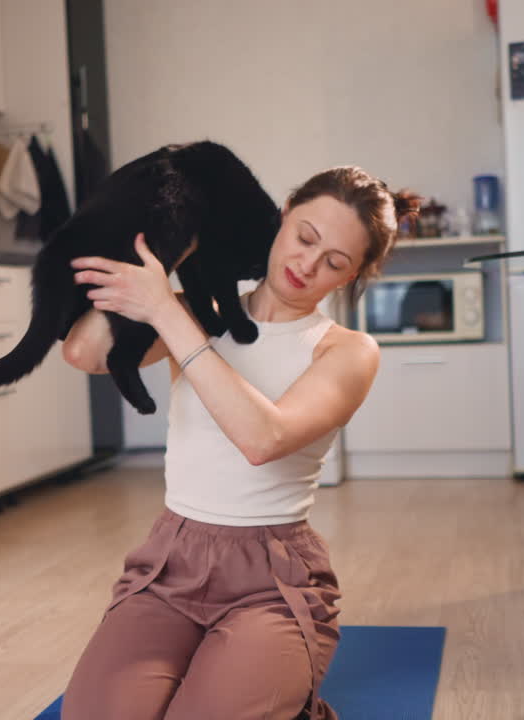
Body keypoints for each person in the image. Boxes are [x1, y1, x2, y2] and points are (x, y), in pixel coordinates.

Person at [58, 166, 420, 720]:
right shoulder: (201, 308)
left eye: (334, 263)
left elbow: (263, 437)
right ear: (282, 218)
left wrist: (166, 311)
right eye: (305, 238)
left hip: (273, 581)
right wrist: (175, 257)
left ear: (347, 279)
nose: (307, 265)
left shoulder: (347, 351)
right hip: (170, 562)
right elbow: (85, 353)